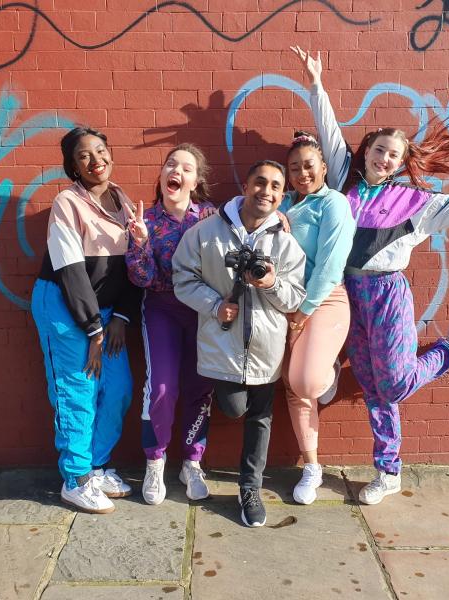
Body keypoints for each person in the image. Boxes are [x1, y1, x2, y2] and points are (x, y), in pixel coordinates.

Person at [292, 46, 449, 505]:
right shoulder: (343, 179)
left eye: (393, 155)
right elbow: (328, 129)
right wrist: (316, 84)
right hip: (344, 293)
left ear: (401, 163)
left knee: (395, 382)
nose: (384, 159)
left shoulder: (414, 202)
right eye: (379, 149)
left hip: (386, 295)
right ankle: (389, 472)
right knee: (369, 380)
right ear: (365, 152)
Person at [172, 160, 306, 526]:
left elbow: (295, 297)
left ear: (282, 195)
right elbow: (182, 276)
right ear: (246, 186)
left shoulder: (286, 243)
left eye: (276, 186)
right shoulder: (205, 232)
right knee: (233, 408)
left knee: (260, 418)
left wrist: (271, 285)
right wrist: (215, 306)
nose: (267, 191)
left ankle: (250, 488)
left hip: (266, 348)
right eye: (260, 182)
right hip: (223, 343)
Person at [31, 126, 140, 514]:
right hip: (64, 307)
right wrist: (92, 328)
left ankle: (96, 466)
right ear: (72, 167)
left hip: (108, 314)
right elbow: (71, 272)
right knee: (77, 390)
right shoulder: (67, 202)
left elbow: (134, 268)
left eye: (100, 150)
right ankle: (75, 479)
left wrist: (121, 318)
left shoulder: (123, 202)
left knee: (119, 388)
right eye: (84, 156)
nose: (96, 160)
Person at [124, 144, 215, 505]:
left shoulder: (211, 217)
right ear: (162, 176)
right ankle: (155, 460)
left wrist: (281, 219)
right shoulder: (145, 221)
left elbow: (253, 224)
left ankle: (192, 462)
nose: (176, 170)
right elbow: (142, 278)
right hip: (162, 308)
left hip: (203, 311)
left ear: (195, 181)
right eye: (170, 164)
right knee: (162, 387)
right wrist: (140, 242)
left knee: (200, 387)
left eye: (186, 167)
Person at [279, 131, 355, 505]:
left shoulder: (333, 204)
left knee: (307, 382)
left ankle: (329, 372)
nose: (302, 173)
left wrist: (303, 313)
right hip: (284, 304)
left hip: (324, 302)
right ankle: (312, 468)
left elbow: (330, 265)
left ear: (324, 167)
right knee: (293, 389)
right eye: (294, 168)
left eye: (309, 165)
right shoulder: (286, 204)